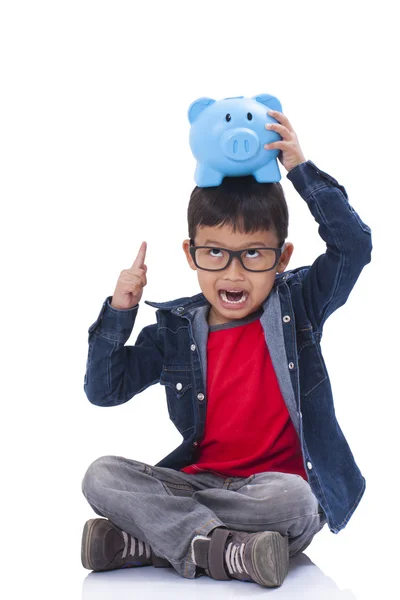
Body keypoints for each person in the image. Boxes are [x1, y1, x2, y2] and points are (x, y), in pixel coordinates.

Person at [80, 110, 372, 588]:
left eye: (254, 254)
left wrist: (300, 169)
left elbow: (354, 246)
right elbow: (104, 390)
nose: (233, 274)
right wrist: (119, 311)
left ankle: (152, 540)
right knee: (101, 476)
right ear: (189, 253)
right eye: (214, 252)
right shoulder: (176, 330)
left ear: (283, 258)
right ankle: (226, 550)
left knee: (296, 502)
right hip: (201, 481)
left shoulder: (298, 305)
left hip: (271, 492)